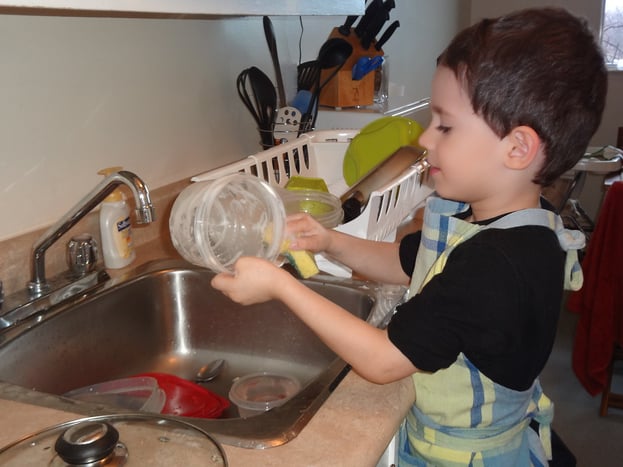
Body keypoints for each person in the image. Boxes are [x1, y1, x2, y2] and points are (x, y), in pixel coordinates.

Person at [212, 7, 607, 466]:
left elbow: (383, 361)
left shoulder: (496, 264)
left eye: (445, 125)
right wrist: (330, 242)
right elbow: (406, 262)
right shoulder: (495, 220)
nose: (425, 139)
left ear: (517, 148)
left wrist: (282, 286)